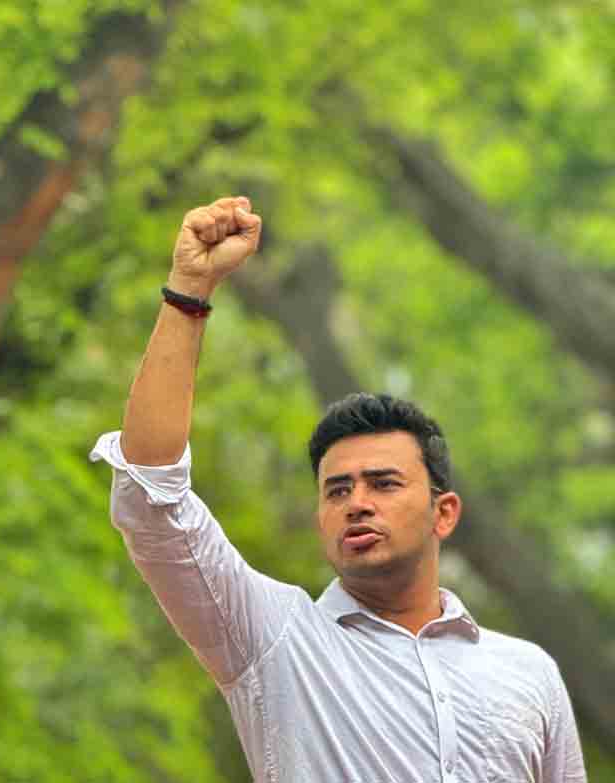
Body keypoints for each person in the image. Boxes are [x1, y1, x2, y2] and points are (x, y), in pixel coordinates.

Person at [90, 196, 587, 781]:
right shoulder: (272, 641)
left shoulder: (527, 672)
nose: (357, 503)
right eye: (337, 490)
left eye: (383, 483)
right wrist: (187, 292)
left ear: (443, 513)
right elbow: (153, 497)